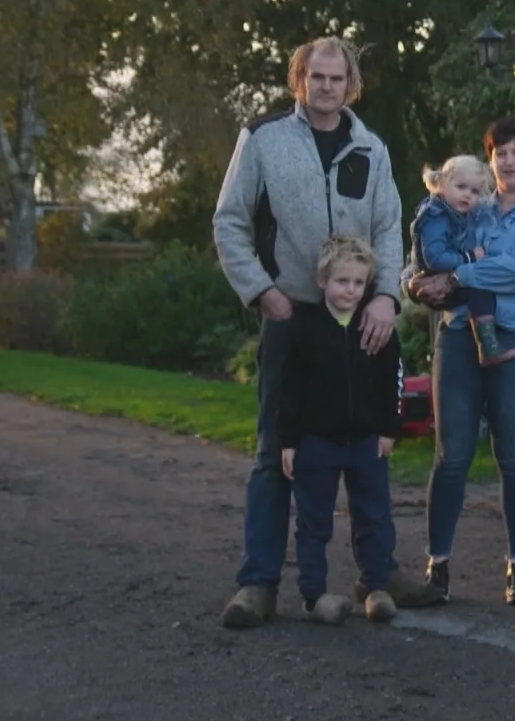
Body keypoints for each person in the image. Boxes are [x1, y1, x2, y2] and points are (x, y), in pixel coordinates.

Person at [211, 35, 442, 629]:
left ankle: (378, 573)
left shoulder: (372, 147)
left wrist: (387, 296)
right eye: (317, 77)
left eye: (337, 79)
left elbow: (390, 226)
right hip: (294, 320)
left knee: (368, 455)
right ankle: (258, 584)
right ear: (300, 80)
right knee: (275, 454)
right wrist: (263, 292)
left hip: (362, 323)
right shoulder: (263, 140)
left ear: (351, 84)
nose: (327, 88)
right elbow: (229, 221)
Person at [405, 116, 515, 607]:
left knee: (514, 454)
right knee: (450, 454)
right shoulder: (469, 203)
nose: (509, 162)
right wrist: (414, 283)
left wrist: (455, 280)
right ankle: (437, 567)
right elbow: (425, 256)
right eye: (501, 153)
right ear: (491, 159)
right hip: (458, 337)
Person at [278, 235, 407, 626]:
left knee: (374, 516)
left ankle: (375, 586)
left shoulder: (378, 329)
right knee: (314, 521)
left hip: (367, 440)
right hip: (316, 441)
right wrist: (289, 441)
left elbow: (392, 382)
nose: (350, 290)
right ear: (322, 281)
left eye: (357, 283)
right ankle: (314, 595)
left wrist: (389, 429)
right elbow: (290, 388)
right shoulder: (303, 329)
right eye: (341, 281)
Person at [409, 154, 515, 365]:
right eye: (461, 187)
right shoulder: (435, 216)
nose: (467, 195)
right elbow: (434, 258)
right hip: (435, 282)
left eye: (474, 191)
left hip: (445, 278)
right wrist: (468, 257)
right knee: (479, 288)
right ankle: (488, 346)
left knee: (480, 288)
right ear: (441, 184)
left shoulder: (456, 213)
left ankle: (487, 342)